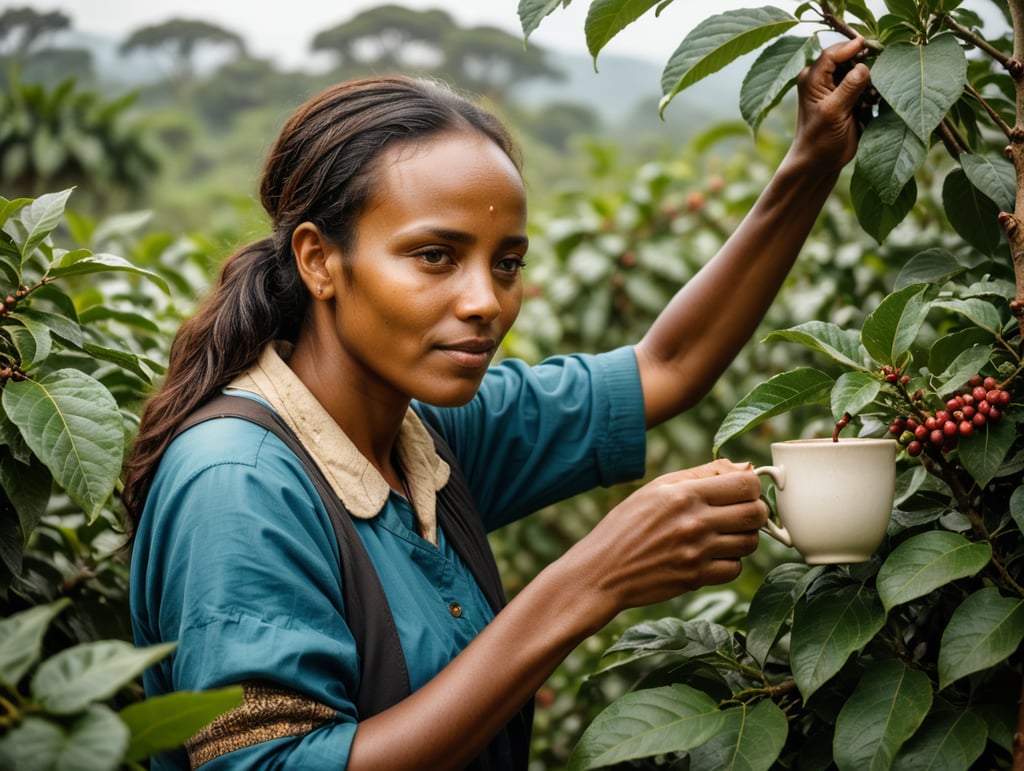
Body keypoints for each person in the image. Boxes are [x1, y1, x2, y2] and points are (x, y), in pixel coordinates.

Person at [124, 36, 870, 770]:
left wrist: (810, 163)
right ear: (320, 259)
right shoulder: (240, 482)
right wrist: (592, 579)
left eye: (506, 263)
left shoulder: (426, 432)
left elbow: (666, 365)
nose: (485, 301)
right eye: (435, 256)